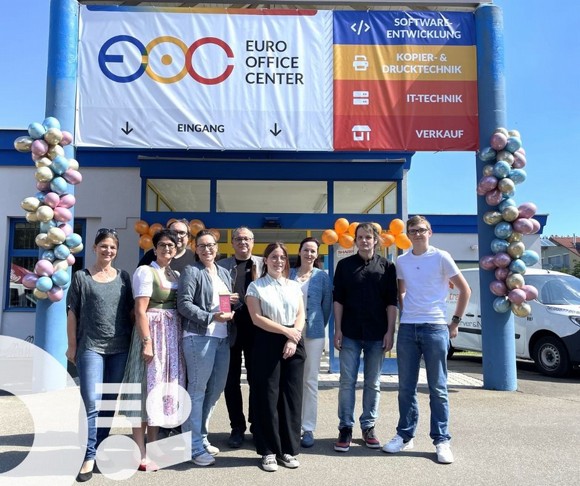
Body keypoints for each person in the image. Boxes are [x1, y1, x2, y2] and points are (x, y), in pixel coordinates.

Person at [383, 215, 470, 464]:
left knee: (438, 388)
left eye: (421, 230)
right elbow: (401, 290)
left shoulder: (441, 257)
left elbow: (465, 290)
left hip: (435, 327)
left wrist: (454, 322)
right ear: (408, 235)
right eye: (413, 231)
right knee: (405, 387)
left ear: (429, 232)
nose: (417, 234)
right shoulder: (402, 261)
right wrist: (408, 309)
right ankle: (405, 435)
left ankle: (441, 440)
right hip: (408, 329)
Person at [66, 228, 134, 482]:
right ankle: (88, 455)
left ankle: (98, 449)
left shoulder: (124, 277)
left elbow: (131, 312)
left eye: (113, 247)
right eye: (103, 246)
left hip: (120, 348)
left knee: (108, 403)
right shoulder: (81, 277)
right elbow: (72, 313)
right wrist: (72, 345)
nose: (108, 250)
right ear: (94, 248)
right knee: (91, 402)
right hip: (91, 346)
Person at [122, 229, 186, 471]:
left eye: (171, 245)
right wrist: (147, 342)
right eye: (163, 245)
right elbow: (140, 310)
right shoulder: (145, 272)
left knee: (160, 391)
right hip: (153, 334)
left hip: (171, 337)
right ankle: (140, 452)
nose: (167, 249)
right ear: (154, 248)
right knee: (143, 390)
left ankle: (153, 447)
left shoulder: (174, 274)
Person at [332, 222, 398, 453]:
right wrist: (337, 329)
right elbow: (338, 300)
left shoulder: (387, 267)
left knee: (373, 382)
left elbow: (392, 302)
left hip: (377, 334)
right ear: (355, 240)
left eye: (368, 237)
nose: (364, 241)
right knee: (346, 382)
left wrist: (390, 331)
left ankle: (368, 426)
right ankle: (345, 428)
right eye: (360, 237)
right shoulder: (344, 266)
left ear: (376, 240)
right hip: (349, 332)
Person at [177, 229, 238, 467]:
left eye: (210, 245)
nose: (207, 249)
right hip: (199, 336)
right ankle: (191, 446)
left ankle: (201, 437)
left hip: (222, 338)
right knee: (197, 391)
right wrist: (211, 317)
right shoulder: (191, 271)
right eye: (201, 246)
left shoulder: (223, 272)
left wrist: (232, 304)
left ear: (217, 247)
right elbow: (184, 305)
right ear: (196, 249)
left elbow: (223, 305)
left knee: (215, 390)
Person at [246, 242, 305, 472]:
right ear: (266, 260)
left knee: (291, 397)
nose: (278, 261)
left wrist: (292, 338)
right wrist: (285, 332)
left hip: (293, 342)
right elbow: (257, 318)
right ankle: (268, 451)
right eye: (273, 257)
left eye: (282, 257)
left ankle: (288, 450)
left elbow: (300, 315)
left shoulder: (294, 286)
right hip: (266, 341)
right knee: (267, 397)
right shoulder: (255, 287)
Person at [217, 226, 262, 448]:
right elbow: (216, 295)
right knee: (231, 381)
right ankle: (237, 426)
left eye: (247, 239)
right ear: (232, 242)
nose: (243, 242)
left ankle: (256, 425)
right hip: (230, 330)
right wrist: (227, 303)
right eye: (238, 239)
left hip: (257, 330)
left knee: (257, 379)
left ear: (253, 242)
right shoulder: (222, 266)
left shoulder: (263, 263)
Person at [289, 237, 332, 448]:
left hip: (314, 334)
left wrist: (316, 325)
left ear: (317, 255)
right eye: (306, 250)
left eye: (313, 251)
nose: (309, 254)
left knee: (310, 380)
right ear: (299, 251)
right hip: (290, 333)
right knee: (291, 379)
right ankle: (291, 424)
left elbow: (326, 307)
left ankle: (308, 428)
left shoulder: (322, 277)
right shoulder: (288, 274)